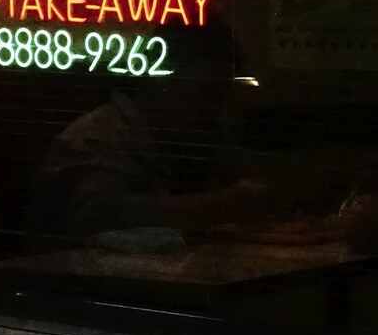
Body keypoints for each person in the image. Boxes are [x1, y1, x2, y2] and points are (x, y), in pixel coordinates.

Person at [29, 20, 275, 240]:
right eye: (209, 95)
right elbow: (97, 220)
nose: (217, 112)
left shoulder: (195, 140)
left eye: (225, 100)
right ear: (162, 81)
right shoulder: (95, 140)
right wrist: (220, 205)